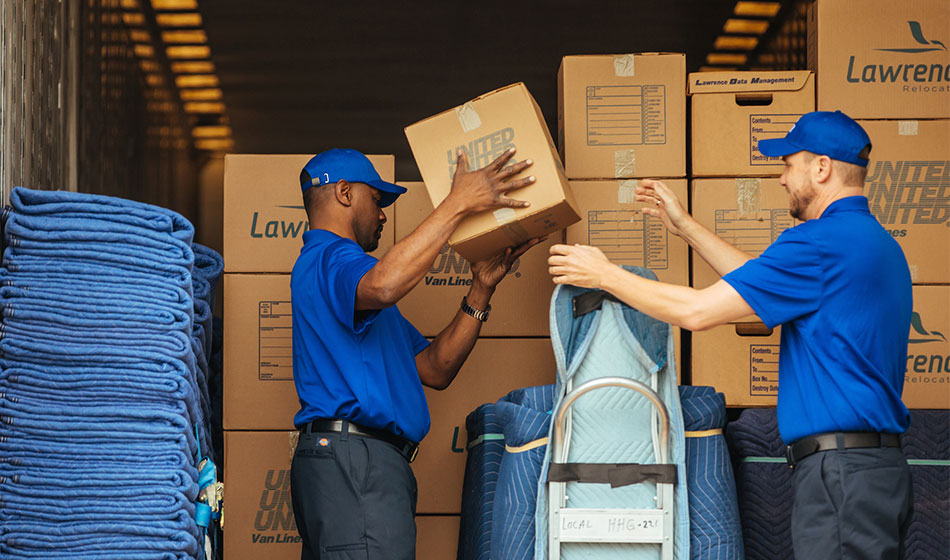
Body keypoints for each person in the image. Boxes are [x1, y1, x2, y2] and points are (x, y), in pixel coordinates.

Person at [548, 111, 913, 558]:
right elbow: (755, 281)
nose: (781, 179)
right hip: (876, 472)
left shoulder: (818, 244)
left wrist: (603, 274)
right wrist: (685, 226)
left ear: (822, 167)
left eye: (788, 164)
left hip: (840, 475)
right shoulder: (876, 244)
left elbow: (698, 311)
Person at [290, 147, 541, 559]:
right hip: (355, 464)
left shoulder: (356, 290)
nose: (384, 214)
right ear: (344, 193)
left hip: (362, 465)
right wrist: (458, 204)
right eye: (377, 199)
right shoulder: (331, 260)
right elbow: (384, 284)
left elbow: (435, 367)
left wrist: (481, 289)